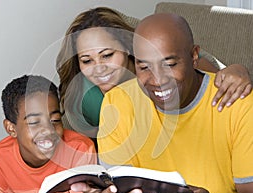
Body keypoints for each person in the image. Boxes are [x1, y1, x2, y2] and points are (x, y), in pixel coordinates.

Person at [71, 13, 253, 193]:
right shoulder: (114, 102)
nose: (157, 79)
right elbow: (120, 188)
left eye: (169, 64)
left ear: (194, 56)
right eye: (144, 67)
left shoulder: (236, 101)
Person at [57, 7, 252, 150]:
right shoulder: (90, 101)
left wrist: (238, 70)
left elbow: (215, 78)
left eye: (107, 55)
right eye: (86, 60)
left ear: (126, 47)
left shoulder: (160, 56)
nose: (99, 69)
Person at [0, 75, 96, 193]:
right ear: (11, 128)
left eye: (55, 120)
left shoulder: (79, 149)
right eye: (34, 122)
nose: (48, 130)